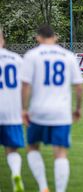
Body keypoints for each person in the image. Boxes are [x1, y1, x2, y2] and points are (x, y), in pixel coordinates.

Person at [21, 25, 83, 192]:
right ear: (55, 37)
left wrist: (24, 108)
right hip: (61, 112)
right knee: (61, 153)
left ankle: (43, 187)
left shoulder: (32, 55)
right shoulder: (68, 56)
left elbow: (25, 85)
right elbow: (78, 86)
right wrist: (77, 108)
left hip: (38, 110)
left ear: (38, 38)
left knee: (33, 147)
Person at [0, 28, 25, 192]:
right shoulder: (16, 59)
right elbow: (25, 86)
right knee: (12, 149)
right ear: (2, 40)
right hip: (11, 110)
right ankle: (16, 173)